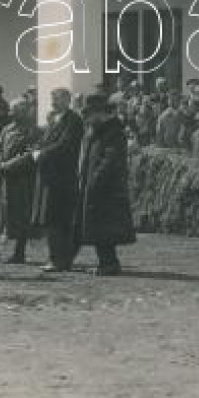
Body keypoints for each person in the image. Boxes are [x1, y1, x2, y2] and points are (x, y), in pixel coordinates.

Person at [76, 92, 134, 275]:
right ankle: (105, 263)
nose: (88, 119)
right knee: (98, 227)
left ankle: (109, 264)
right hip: (97, 187)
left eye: (90, 115)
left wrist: (95, 179)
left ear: (100, 113)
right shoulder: (100, 131)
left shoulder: (113, 132)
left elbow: (110, 160)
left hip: (107, 189)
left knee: (105, 228)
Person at [0, 99, 38, 264]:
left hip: (20, 179)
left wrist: (9, 165)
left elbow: (30, 154)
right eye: (13, 110)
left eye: (17, 110)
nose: (13, 113)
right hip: (2, 179)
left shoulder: (33, 131)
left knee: (20, 216)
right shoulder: (7, 129)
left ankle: (19, 252)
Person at [32, 88, 85, 273]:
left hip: (63, 176)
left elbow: (66, 145)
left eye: (57, 98)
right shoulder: (54, 119)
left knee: (58, 219)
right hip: (51, 175)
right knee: (51, 218)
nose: (53, 102)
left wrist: (43, 153)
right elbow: (47, 141)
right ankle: (57, 258)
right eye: (52, 98)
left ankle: (60, 259)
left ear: (67, 100)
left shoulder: (73, 120)